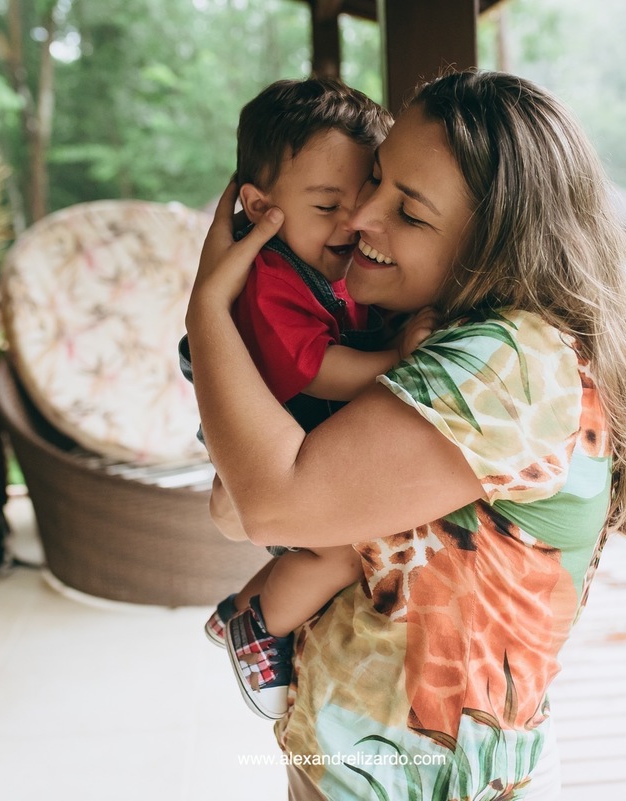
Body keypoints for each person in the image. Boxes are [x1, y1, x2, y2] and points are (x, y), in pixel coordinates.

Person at [187, 70, 626, 800]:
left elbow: (263, 503)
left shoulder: (506, 364)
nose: (358, 220)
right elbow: (237, 500)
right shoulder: (442, 336)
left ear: (495, 243)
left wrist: (208, 306)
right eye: (373, 179)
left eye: (408, 214)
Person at [181, 78, 430, 721]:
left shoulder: (325, 261)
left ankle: (235, 611)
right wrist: (397, 356)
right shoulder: (268, 281)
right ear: (261, 206)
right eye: (326, 207)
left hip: (296, 441)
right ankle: (258, 630)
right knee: (337, 549)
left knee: (323, 549)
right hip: (276, 435)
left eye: (364, 196)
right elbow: (317, 370)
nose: (353, 223)